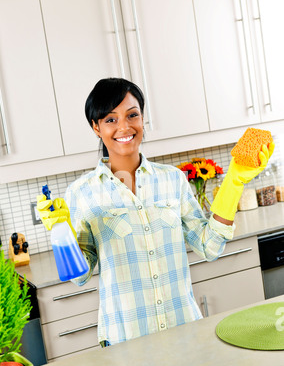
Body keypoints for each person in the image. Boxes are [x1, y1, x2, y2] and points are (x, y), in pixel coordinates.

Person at [37, 77, 274, 347]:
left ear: (142, 118)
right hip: (125, 338)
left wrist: (234, 181)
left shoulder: (172, 179)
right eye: (110, 119)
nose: (124, 127)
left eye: (132, 115)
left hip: (184, 328)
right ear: (96, 127)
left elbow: (210, 247)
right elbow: (80, 276)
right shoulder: (82, 192)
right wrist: (61, 231)